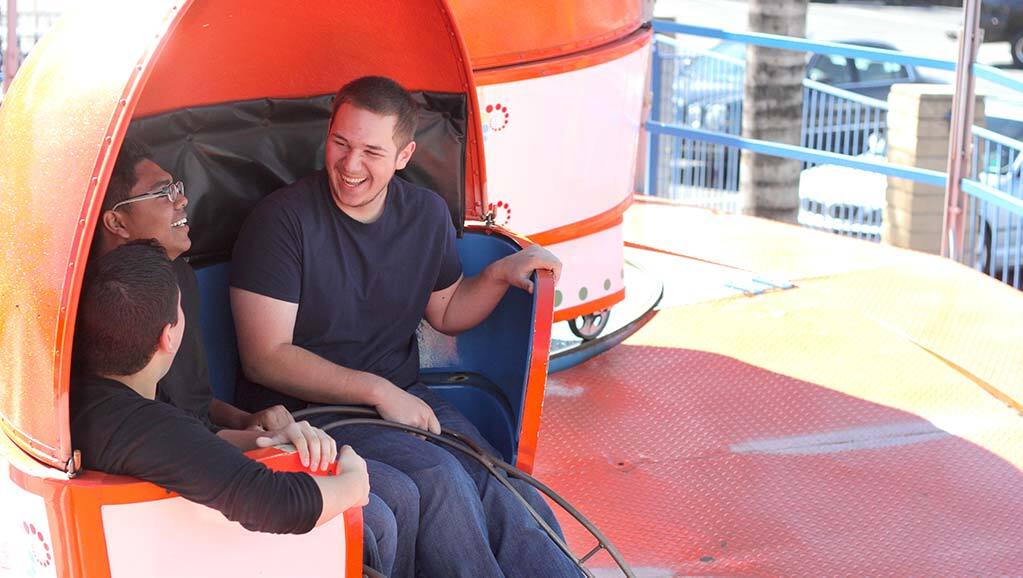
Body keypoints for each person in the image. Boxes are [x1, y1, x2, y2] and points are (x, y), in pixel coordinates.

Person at [230, 75, 579, 577]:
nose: (350, 165)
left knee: (501, 481)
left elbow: (447, 310)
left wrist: (501, 273)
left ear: (404, 154)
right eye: (340, 143)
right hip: (312, 414)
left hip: (400, 395)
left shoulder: (425, 214)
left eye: (372, 151)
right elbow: (264, 356)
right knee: (442, 480)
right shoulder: (282, 221)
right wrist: (377, 391)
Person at [91, 139, 414, 575]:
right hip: (179, 503)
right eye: (163, 192)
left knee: (398, 492)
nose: (180, 199)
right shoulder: (109, 340)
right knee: (374, 510)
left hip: (200, 458)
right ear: (168, 335)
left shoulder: (175, 278)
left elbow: (191, 411)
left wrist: (249, 425)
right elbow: (263, 496)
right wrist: (351, 481)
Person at [70, 241, 370, 539]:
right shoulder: (139, 426)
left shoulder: (86, 400)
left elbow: (189, 446)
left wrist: (265, 440)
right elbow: (276, 504)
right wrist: (355, 482)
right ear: (169, 336)